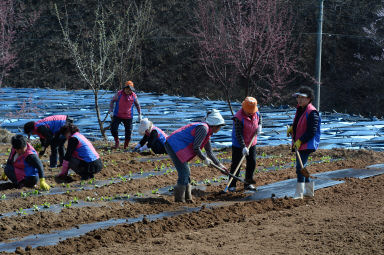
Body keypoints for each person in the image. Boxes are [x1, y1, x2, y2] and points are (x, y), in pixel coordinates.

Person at [165, 109, 226, 202]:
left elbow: (209, 152)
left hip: (178, 146)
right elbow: (196, 147)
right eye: (219, 126)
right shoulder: (203, 129)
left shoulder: (208, 132)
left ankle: (188, 198)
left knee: (186, 172)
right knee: (183, 172)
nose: (219, 129)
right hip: (173, 145)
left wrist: (220, 165)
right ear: (214, 125)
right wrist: (204, 159)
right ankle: (179, 199)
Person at [287, 86, 321, 199]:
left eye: (302, 98)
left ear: (309, 99)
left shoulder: (312, 112)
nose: (299, 100)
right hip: (300, 142)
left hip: (307, 143)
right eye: (298, 97)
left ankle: (299, 192)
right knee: (302, 166)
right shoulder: (300, 109)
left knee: (299, 167)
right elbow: (297, 123)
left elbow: (312, 131)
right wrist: (292, 128)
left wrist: (300, 140)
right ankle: (309, 191)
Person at [229, 97, 262, 192]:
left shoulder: (255, 112)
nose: (251, 113)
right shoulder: (238, 117)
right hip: (239, 144)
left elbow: (259, 118)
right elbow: (238, 134)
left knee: (252, 162)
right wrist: (243, 146)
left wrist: (260, 125)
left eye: (252, 111)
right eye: (249, 112)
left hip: (252, 142)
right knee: (236, 164)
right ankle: (232, 185)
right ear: (243, 108)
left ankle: (248, 183)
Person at [109, 80, 142, 149]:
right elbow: (112, 101)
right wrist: (111, 111)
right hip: (117, 115)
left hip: (128, 116)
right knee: (113, 129)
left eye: (130, 90)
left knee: (128, 132)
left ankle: (126, 145)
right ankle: (117, 142)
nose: (128, 91)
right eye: (127, 89)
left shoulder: (133, 96)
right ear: (124, 88)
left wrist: (140, 114)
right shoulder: (119, 94)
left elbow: (138, 105)